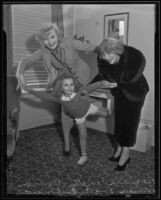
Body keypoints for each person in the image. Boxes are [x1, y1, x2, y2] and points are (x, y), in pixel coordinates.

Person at [16, 22, 100, 156]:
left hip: (82, 78)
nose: (49, 42)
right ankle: (67, 145)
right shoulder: (43, 52)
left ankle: (83, 140)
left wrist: (110, 50)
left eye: (52, 37)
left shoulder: (69, 42)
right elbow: (24, 62)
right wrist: (20, 76)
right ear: (42, 41)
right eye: (45, 39)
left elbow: (92, 48)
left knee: (81, 106)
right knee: (65, 112)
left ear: (58, 35)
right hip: (64, 82)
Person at [26, 73, 113, 165]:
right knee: (83, 135)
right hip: (79, 117)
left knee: (106, 114)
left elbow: (90, 87)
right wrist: (31, 91)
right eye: (66, 85)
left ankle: (105, 110)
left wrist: (102, 82)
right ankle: (84, 156)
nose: (69, 87)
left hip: (88, 108)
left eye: (71, 84)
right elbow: (45, 96)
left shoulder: (78, 91)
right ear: (61, 87)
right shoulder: (60, 98)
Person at [91, 37, 149, 171]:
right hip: (121, 92)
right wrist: (88, 87)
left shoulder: (133, 58)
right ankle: (118, 149)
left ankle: (126, 154)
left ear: (117, 50)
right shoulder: (105, 61)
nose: (105, 57)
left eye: (108, 54)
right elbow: (101, 76)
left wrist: (114, 83)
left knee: (129, 123)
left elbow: (129, 78)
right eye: (103, 55)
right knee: (120, 121)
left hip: (136, 93)